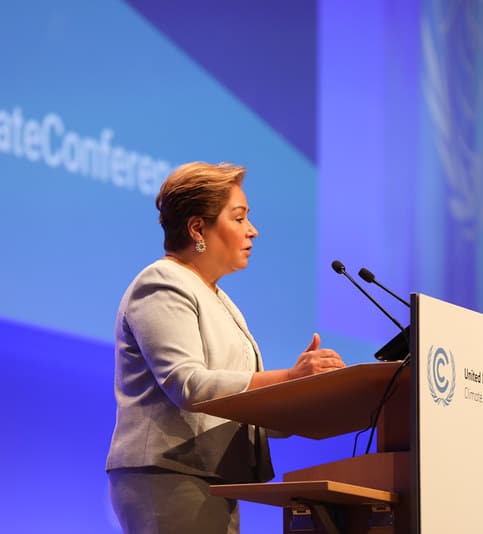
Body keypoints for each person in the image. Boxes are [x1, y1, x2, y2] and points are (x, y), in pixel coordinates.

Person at [106, 161, 345, 533]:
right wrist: (289, 376)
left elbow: (235, 406)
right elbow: (189, 386)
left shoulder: (220, 299)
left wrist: (304, 396)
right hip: (168, 475)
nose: (253, 230)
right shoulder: (163, 282)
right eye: (238, 218)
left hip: (212, 478)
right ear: (198, 227)